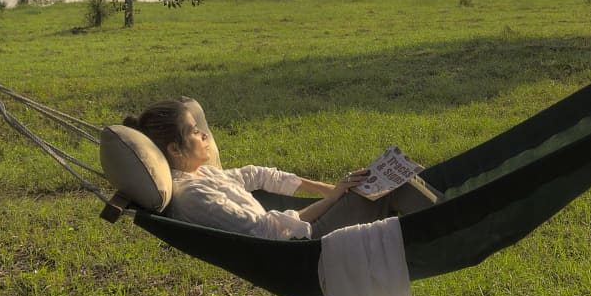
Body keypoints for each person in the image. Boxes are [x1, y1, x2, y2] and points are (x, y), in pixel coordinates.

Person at [125, 99, 434, 239]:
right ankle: (450, 220)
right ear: (175, 149)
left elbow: (255, 174)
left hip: (301, 232)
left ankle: (447, 215)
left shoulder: (200, 175)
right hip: (306, 246)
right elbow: (270, 230)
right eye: (195, 131)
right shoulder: (194, 195)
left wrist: (327, 188)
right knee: (398, 186)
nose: (205, 136)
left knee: (387, 178)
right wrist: (335, 198)